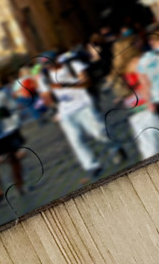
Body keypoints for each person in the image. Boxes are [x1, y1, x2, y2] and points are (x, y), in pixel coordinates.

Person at [43, 51, 127, 180]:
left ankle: (116, 148)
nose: (48, 67)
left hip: (84, 105)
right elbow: (46, 96)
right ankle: (92, 166)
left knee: (99, 132)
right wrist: (50, 104)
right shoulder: (45, 76)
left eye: (49, 63)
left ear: (56, 59)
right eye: (45, 65)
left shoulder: (73, 65)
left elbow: (87, 82)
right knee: (76, 139)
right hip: (65, 111)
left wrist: (66, 84)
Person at [111, 38, 159, 160]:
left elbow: (123, 93)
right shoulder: (137, 63)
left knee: (150, 150)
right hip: (149, 108)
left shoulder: (118, 71)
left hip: (135, 113)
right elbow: (145, 85)